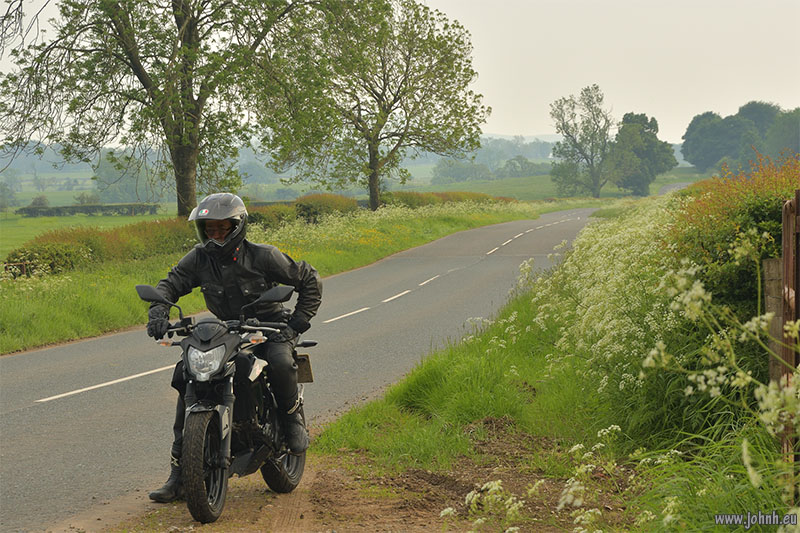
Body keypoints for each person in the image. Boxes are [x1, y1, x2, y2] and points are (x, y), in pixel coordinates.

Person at [145, 192, 322, 503]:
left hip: (271, 327)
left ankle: (293, 422)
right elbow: (170, 284)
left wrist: (297, 322)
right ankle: (179, 475)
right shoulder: (199, 258)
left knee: (280, 362)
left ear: (237, 227)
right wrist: (158, 312)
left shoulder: (264, 256)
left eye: (221, 229)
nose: (214, 236)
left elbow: (309, 279)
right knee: (189, 374)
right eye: (208, 229)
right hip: (228, 328)